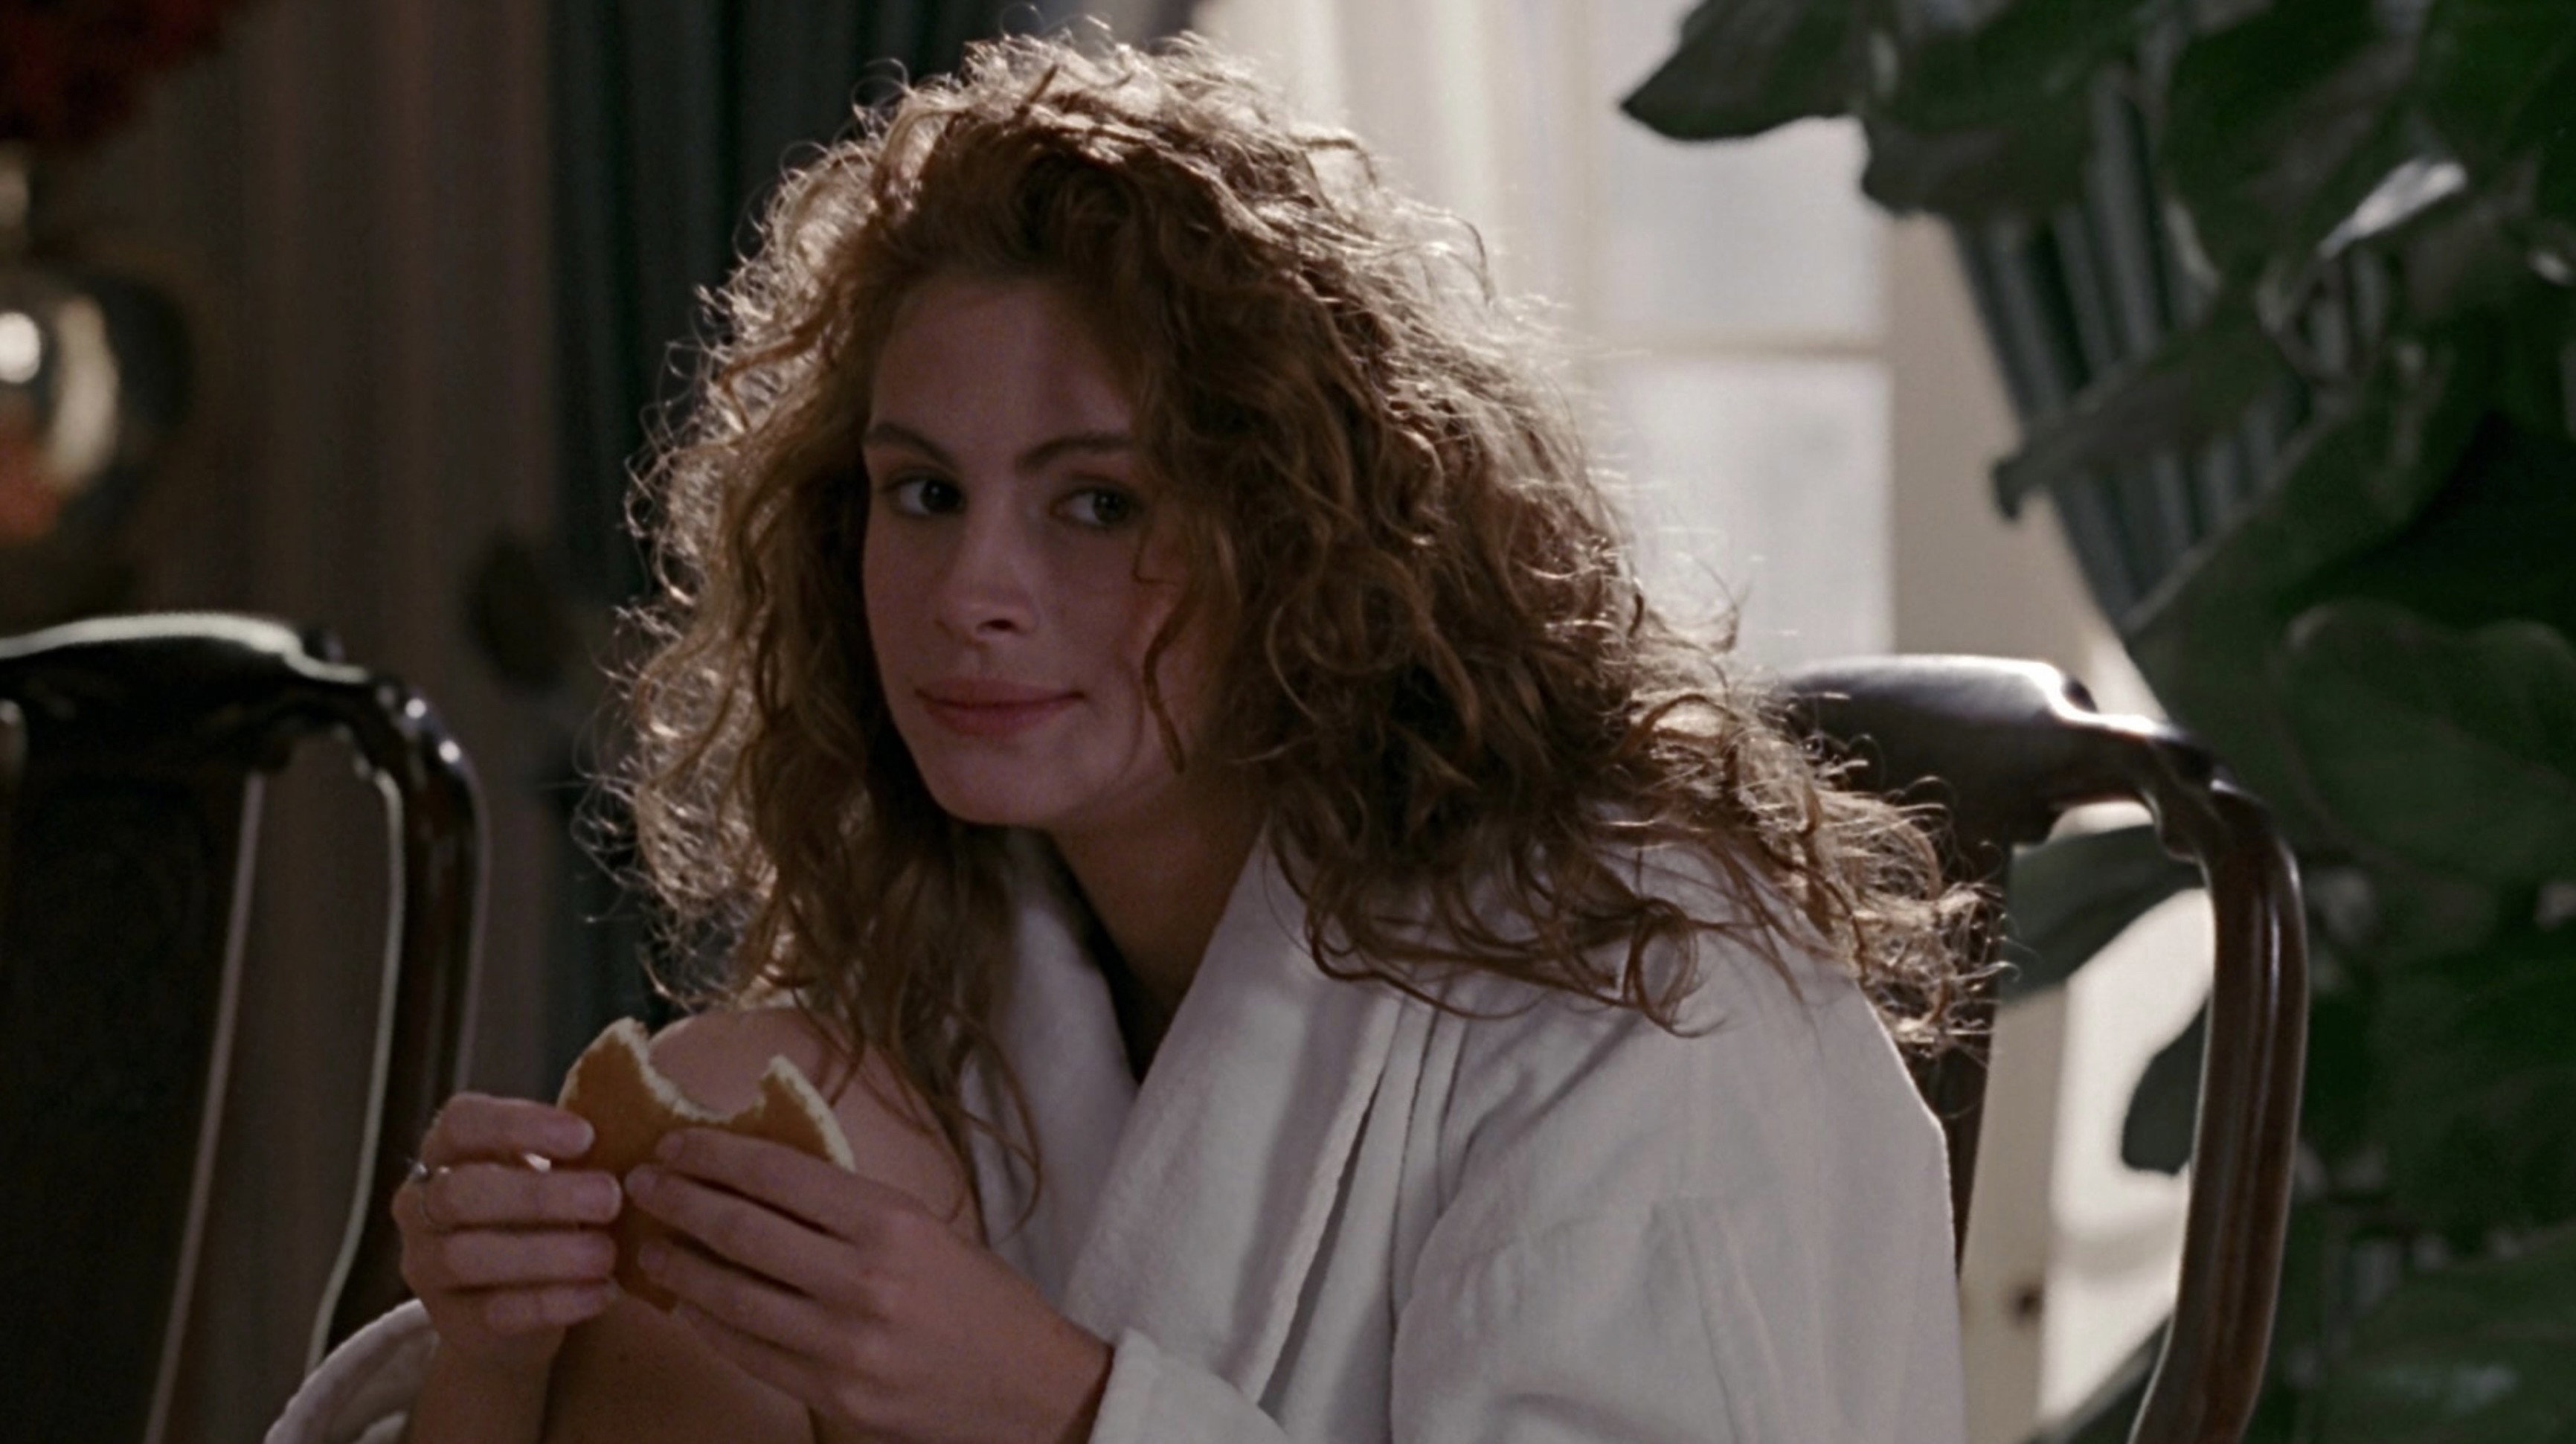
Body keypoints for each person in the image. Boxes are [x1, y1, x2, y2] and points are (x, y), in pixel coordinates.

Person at [272, 28, 1974, 1444]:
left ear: (1305, 536)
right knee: (732, 1105)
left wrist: (1062, 1405)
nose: (971, 593)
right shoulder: (952, 970)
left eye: (1097, 501)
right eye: (922, 492)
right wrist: (499, 1355)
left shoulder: (1647, 1000)